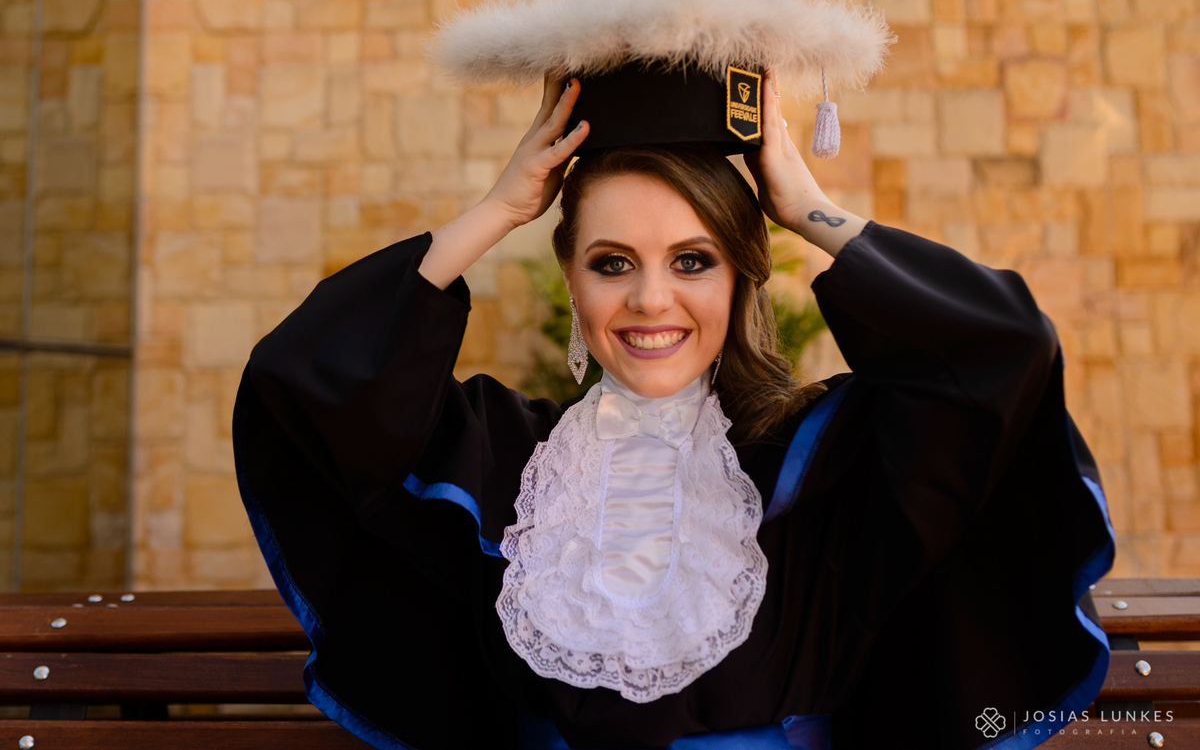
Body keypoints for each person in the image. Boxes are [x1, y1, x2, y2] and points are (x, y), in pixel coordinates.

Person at [234, 67, 1115, 750]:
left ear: (741, 278)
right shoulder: (501, 461)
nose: (651, 299)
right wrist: (497, 209)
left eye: (693, 260)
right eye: (612, 262)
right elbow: (305, 381)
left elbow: (1003, 350)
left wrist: (806, 207)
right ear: (571, 280)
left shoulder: (816, 464)